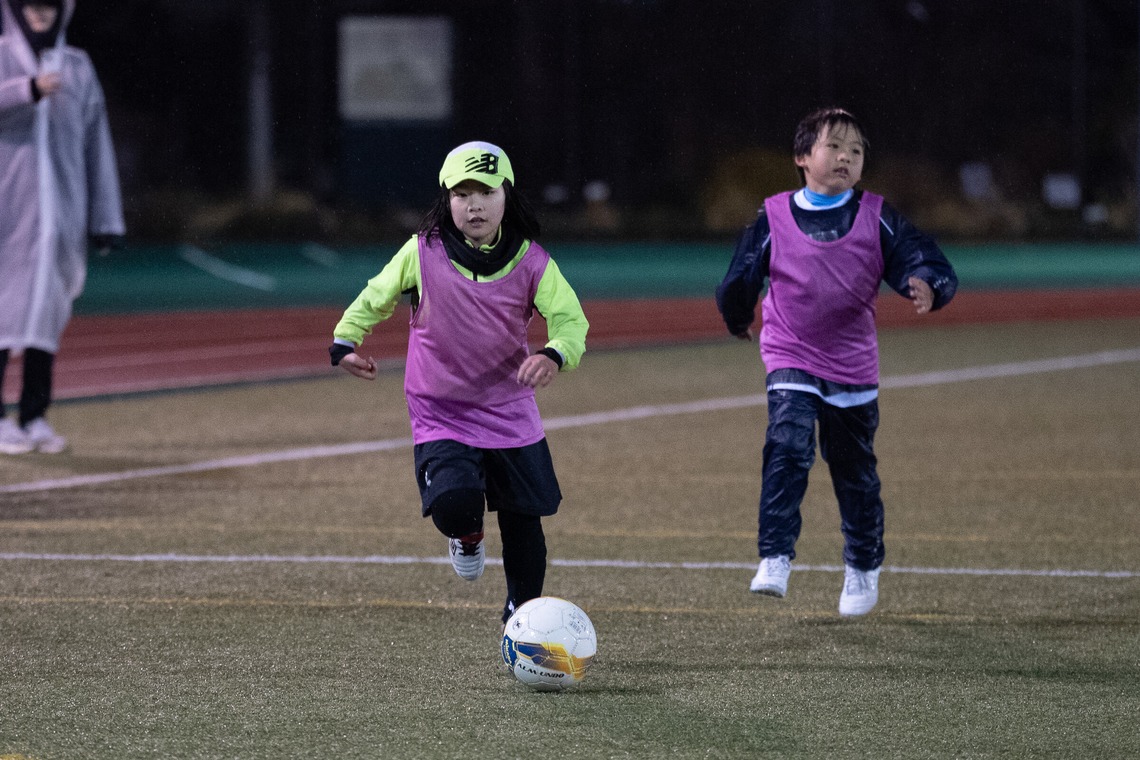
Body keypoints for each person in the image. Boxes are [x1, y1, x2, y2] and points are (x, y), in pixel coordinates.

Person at [330, 141, 589, 624]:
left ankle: (522, 617)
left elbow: (572, 322)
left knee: (523, 520)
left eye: (486, 192)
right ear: (446, 200)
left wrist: (555, 353)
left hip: (510, 410)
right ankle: (466, 536)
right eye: (462, 193)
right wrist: (345, 340)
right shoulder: (421, 252)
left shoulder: (533, 261)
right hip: (440, 411)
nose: (474, 205)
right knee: (455, 505)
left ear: (507, 195)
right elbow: (375, 297)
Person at [716, 107, 957, 617]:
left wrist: (929, 284)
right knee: (788, 444)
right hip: (790, 354)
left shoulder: (878, 216)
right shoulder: (773, 216)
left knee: (855, 474)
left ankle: (863, 566)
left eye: (856, 150)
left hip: (852, 365)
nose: (846, 157)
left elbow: (922, 257)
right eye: (835, 147)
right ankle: (776, 556)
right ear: (803, 157)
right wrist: (737, 313)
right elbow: (741, 275)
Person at [0, 0, 124, 455]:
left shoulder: (77, 66)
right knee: (2, 313)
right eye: (30, 5)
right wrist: (26, 90)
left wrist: (106, 217)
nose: (40, 14)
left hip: (62, 221)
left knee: (47, 319)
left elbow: (97, 143)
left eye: (48, 6)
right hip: (8, 219)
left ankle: (34, 416)